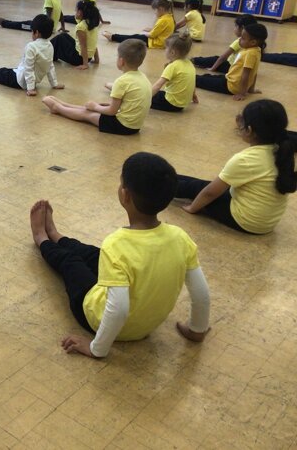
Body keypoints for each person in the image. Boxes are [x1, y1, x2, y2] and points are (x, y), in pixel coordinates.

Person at [30, 152, 211, 359]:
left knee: (71, 262)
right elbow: (201, 293)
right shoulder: (180, 237)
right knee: (93, 254)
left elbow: (118, 309)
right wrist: (197, 329)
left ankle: (42, 239)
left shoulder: (116, 244)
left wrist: (96, 349)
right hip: (146, 325)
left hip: (101, 320)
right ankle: (56, 235)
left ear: (125, 195)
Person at [175, 100, 296, 234]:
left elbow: (210, 193)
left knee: (197, 187)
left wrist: (192, 208)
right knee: (200, 185)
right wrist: (242, 125)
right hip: (266, 221)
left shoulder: (245, 160)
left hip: (245, 220)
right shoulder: (282, 150)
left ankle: (159, 184)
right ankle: (167, 177)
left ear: (249, 130)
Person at [42, 39, 151, 135]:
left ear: (121, 61)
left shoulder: (122, 81)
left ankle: (57, 108)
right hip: (134, 126)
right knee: (92, 108)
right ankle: (64, 104)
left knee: (87, 114)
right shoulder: (143, 77)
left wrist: (95, 107)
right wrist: (99, 107)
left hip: (122, 126)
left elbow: (112, 111)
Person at [0, 14, 64, 96]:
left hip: (18, 80)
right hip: (23, 77)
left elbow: (29, 69)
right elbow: (50, 65)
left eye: (31, 31)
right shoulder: (50, 45)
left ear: (36, 33)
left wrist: (30, 88)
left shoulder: (31, 46)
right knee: (1, 71)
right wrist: (54, 83)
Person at [195, 23, 267, 101]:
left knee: (199, 80)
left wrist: (242, 94)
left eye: (243, 38)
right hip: (230, 80)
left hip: (231, 86)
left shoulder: (250, 54)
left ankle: (188, 78)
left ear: (253, 42)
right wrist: (251, 89)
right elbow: (254, 73)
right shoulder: (256, 50)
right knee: (207, 77)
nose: (239, 39)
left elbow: (245, 75)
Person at [150, 30, 197, 112]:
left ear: (172, 52)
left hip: (171, 104)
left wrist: (144, 99)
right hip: (182, 104)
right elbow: (192, 82)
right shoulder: (190, 63)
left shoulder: (173, 66)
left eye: (165, 48)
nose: (164, 50)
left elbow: (158, 85)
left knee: (143, 94)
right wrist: (194, 96)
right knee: (156, 93)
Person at [103, 0, 174, 49]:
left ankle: (112, 37)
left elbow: (152, 35)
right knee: (135, 36)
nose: (155, 13)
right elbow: (161, 31)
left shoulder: (163, 20)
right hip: (160, 42)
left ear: (161, 9)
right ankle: (113, 36)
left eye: (155, 10)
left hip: (155, 43)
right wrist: (151, 29)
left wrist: (144, 33)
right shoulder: (169, 17)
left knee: (133, 38)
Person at [50, 0, 100, 69]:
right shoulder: (92, 23)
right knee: (64, 35)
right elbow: (93, 43)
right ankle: (49, 53)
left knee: (59, 39)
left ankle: (45, 53)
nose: (75, 13)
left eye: (75, 11)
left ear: (79, 12)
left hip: (78, 59)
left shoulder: (81, 27)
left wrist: (85, 64)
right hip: (88, 57)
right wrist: (96, 59)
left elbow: (84, 46)